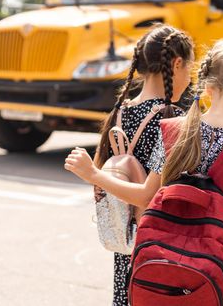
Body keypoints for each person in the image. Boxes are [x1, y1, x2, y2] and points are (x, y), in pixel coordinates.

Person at [66, 40, 223, 300]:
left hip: (165, 269)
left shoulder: (173, 130)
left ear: (207, 85)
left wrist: (94, 175)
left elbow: (148, 197)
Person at [71, 24, 194, 306]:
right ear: (176, 64)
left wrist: (94, 174)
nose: (189, 78)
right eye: (189, 68)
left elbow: (104, 178)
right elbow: (151, 194)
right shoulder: (172, 119)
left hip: (127, 242)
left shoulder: (119, 112)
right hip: (160, 243)